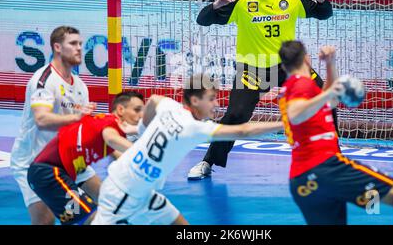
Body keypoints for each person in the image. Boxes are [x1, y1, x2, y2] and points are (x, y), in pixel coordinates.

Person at [188, 0, 336, 179]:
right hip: (252, 68)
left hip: (288, 66)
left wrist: (323, 0)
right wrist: (216, 4)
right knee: (236, 114)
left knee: (325, 96)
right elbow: (203, 20)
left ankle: (333, 156)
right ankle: (208, 162)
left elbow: (324, 15)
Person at [91, 74, 284, 225]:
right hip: (123, 191)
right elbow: (243, 131)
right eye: (211, 99)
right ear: (194, 100)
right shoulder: (194, 128)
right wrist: (284, 122)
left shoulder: (169, 106)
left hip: (143, 192)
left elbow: (154, 101)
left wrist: (142, 128)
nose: (217, 104)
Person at [278, 40, 393, 225]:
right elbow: (296, 115)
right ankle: (372, 209)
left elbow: (331, 102)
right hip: (328, 169)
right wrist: (328, 94)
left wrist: (330, 64)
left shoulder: (294, 88)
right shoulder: (302, 85)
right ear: (307, 58)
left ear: (283, 66)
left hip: (303, 181)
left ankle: (371, 208)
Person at [10, 26, 99, 225]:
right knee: (45, 220)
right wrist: (77, 118)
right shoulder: (44, 80)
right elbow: (42, 120)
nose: (79, 49)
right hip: (35, 163)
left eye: (80, 44)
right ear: (57, 47)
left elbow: (80, 127)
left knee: (110, 199)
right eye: (73, 44)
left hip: (69, 159)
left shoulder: (80, 86)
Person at [27, 91, 144, 225]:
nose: (140, 115)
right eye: (137, 110)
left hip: (60, 174)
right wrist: (144, 152)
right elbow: (111, 138)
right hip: (48, 173)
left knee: (102, 213)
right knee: (94, 219)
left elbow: (121, 156)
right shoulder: (111, 124)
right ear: (121, 109)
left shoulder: (104, 123)